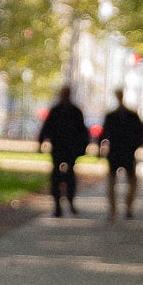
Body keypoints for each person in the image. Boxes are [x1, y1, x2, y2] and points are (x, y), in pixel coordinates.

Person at [101, 88, 143, 221]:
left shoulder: (123, 115)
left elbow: (141, 133)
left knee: (128, 182)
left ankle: (124, 209)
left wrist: (134, 146)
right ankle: (115, 210)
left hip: (124, 153)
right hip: (119, 153)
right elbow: (103, 134)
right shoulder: (119, 115)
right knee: (117, 182)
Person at [39, 86, 89, 216]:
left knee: (66, 176)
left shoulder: (67, 111)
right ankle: (60, 205)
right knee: (62, 176)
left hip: (67, 149)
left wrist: (42, 142)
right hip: (62, 148)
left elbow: (82, 132)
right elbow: (47, 128)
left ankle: (66, 203)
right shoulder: (67, 111)